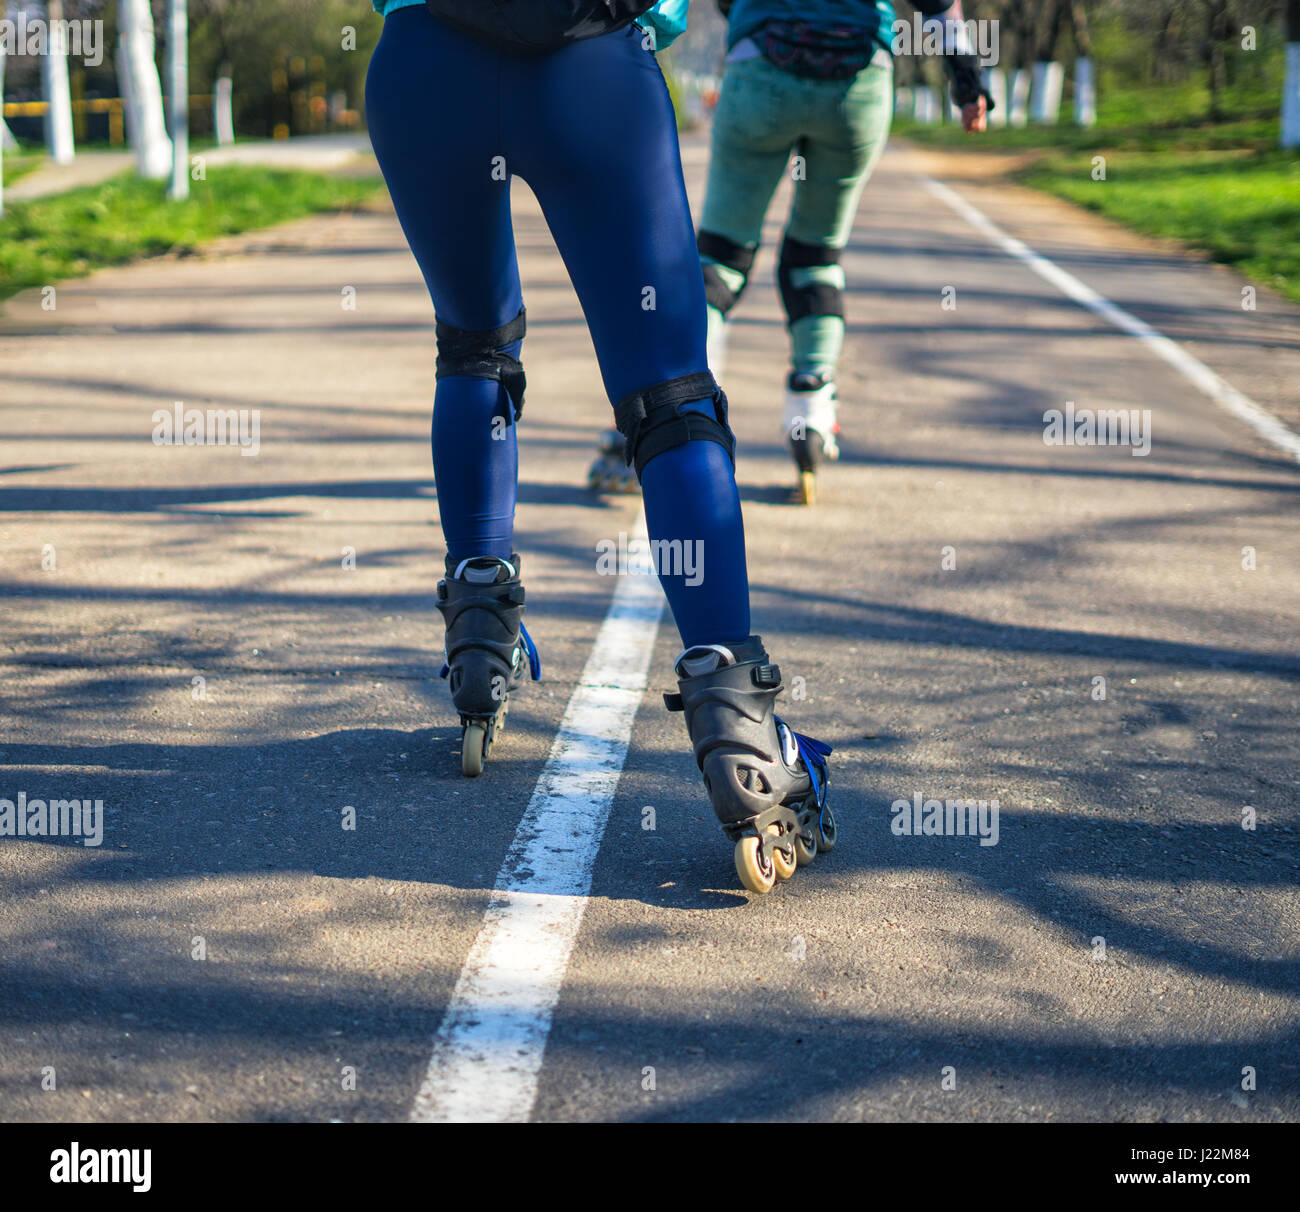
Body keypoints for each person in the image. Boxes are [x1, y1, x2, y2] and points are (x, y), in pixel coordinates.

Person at [365, 0, 832, 894]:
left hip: (424, 66)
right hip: (593, 71)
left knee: (473, 345)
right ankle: (740, 729)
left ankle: (477, 632)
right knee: (669, 394)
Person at [698, 0, 991, 502]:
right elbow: (940, 7)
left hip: (761, 75)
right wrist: (966, 80)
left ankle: (678, 408)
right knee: (815, 256)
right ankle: (810, 415)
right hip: (857, 87)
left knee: (721, 256)